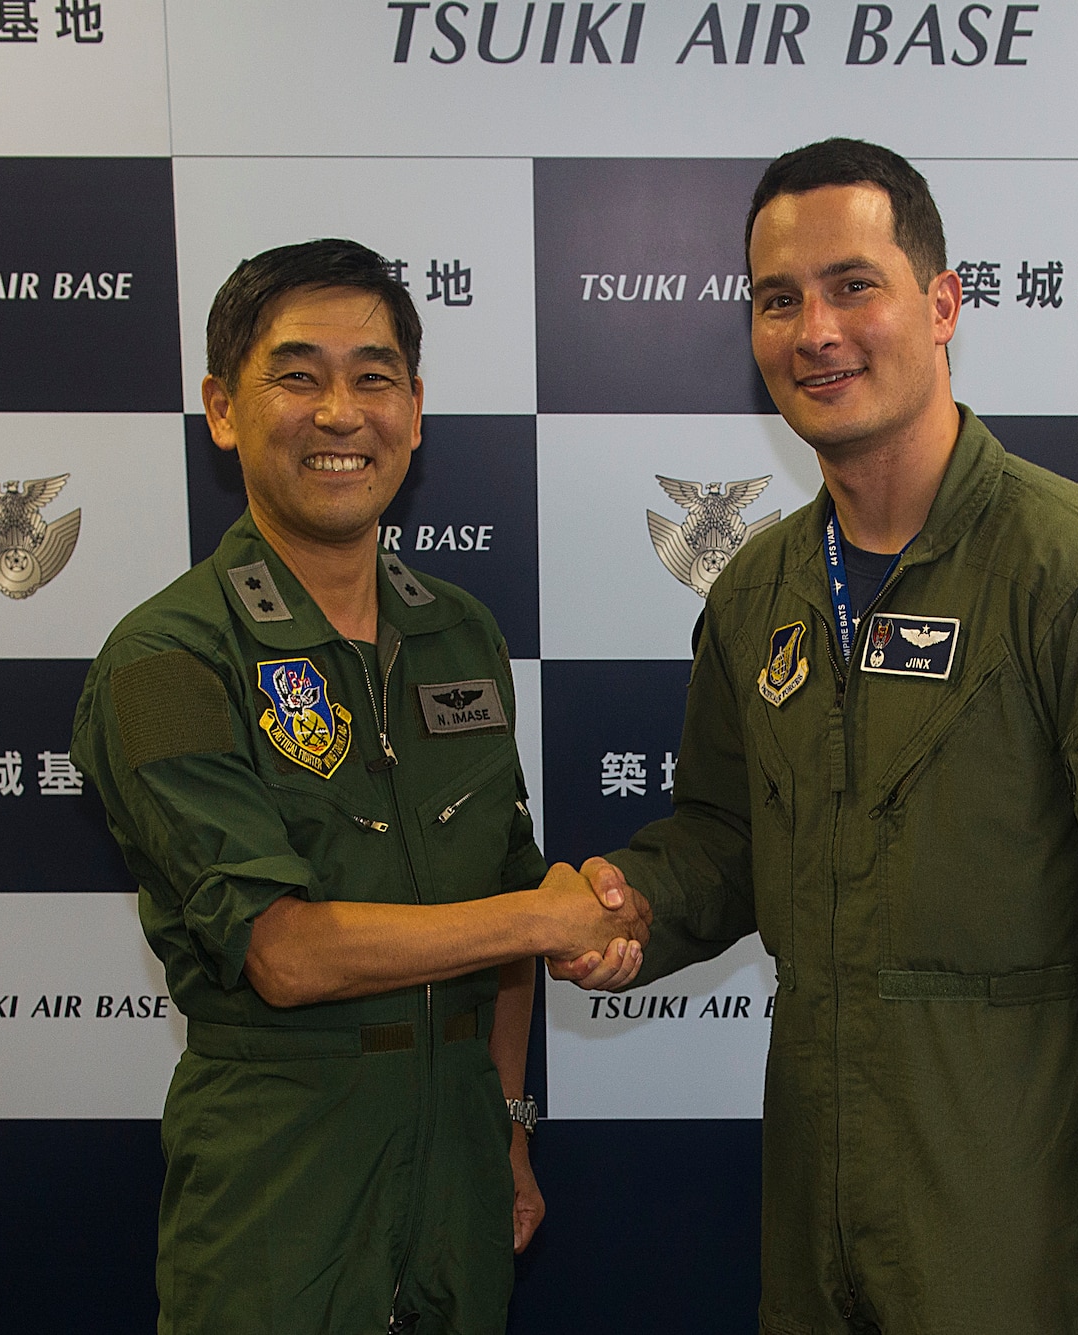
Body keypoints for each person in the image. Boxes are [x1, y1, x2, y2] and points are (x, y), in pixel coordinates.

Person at [557, 139, 1078, 1334]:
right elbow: (727, 840)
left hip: (1015, 1194)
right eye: (776, 298)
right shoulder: (760, 592)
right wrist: (619, 905)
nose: (813, 330)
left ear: (940, 305)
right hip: (815, 1193)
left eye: (852, 285)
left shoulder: (1072, 576)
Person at [70, 238, 650, 1335]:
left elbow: (503, 907)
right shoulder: (169, 662)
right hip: (281, 1174)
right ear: (223, 408)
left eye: (374, 376)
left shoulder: (458, 632)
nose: (341, 412)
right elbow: (283, 954)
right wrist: (544, 912)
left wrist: (510, 1122)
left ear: (416, 410)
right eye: (297, 375)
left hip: (459, 1168)